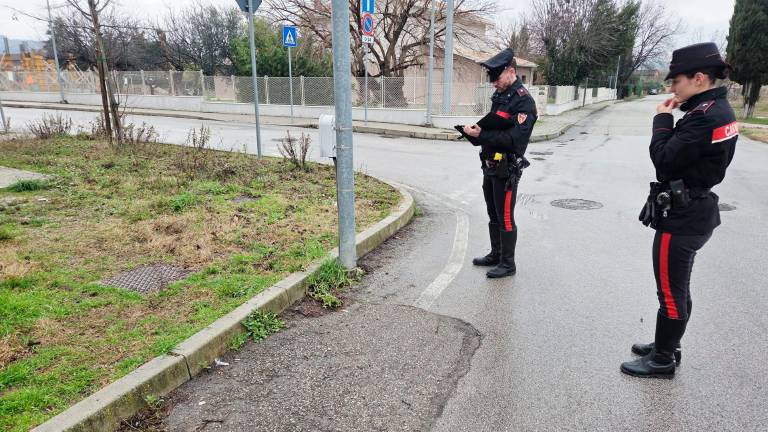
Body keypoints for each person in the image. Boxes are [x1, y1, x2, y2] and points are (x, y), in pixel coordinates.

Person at [622, 43, 738, 378]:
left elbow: (664, 161)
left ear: (700, 78)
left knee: (671, 293)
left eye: (677, 81)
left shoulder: (705, 117)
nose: (672, 88)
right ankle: (668, 345)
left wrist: (661, 117)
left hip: (684, 216)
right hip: (695, 209)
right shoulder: (716, 110)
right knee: (679, 287)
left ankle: (661, 360)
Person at [464, 48, 537, 279]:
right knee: (492, 212)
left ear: (511, 72)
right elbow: (495, 127)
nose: (493, 83)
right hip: (491, 165)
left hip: (507, 168)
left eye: (497, 78)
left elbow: (513, 140)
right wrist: (478, 132)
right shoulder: (501, 96)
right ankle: (496, 254)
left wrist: (482, 136)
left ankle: (508, 263)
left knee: (505, 215)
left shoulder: (523, 102)